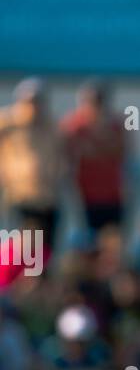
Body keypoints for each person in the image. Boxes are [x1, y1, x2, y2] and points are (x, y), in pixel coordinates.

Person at [0, 78, 66, 260]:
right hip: (20, 195)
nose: (33, 107)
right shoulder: (8, 123)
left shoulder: (51, 126)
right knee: (21, 248)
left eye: (37, 101)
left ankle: (42, 282)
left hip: (48, 197)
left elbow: (63, 154)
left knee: (46, 247)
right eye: (29, 101)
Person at [60, 80, 128, 233]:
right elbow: (70, 152)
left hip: (113, 194)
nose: (96, 106)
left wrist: (98, 142)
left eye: (99, 101)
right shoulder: (75, 125)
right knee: (88, 241)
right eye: (91, 101)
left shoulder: (117, 124)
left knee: (112, 240)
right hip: (85, 196)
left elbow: (123, 150)